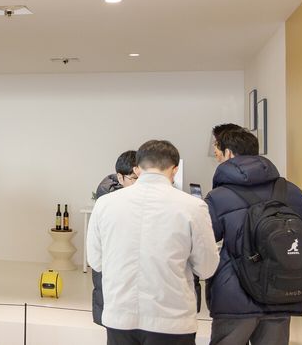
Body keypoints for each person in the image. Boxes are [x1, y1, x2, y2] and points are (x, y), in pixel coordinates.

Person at [87, 140, 219, 345]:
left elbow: (95, 261)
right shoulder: (193, 207)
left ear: (137, 168)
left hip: (120, 316)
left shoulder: (105, 204)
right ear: (174, 169)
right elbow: (207, 268)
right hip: (172, 320)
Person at [205, 129, 302, 345]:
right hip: (281, 291)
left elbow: (204, 241)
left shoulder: (218, 197)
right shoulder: (292, 192)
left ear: (229, 153)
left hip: (234, 297)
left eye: (218, 153)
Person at [92, 150, 138, 325]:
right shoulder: (109, 200)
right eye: (134, 179)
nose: (139, 184)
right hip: (112, 268)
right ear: (120, 177)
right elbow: (95, 251)